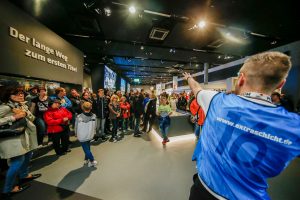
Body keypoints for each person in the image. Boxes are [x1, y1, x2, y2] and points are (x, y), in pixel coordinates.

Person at [183, 51, 300, 200]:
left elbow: (196, 89)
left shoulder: (217, 101)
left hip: (203, 191)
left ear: (241, 79)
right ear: (280, 84)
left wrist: (189, 78)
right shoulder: (293, 126)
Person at [0, 84, 41, 199]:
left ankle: (24, 175)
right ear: (9, 95)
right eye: (17, 93)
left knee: (28, 155)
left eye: (22, 93)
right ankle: (8, 189)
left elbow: (32, 118)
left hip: (23, 136)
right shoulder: (5, 107)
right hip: (11, 139)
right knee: (17, 161)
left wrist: (24, 111)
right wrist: (14, 117)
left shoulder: (19, 105)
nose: (21, 95)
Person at [75, 102, 97, 167]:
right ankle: (86, 159)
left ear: (82, 108)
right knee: (88, 147)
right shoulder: (94, 116)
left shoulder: (79, 117)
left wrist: (76, 133)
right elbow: (95, 126)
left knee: (86, 149)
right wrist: (94, 132)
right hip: (90, 134)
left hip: (82, 135)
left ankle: (92, 160)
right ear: (91, 107)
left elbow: (76, 126)